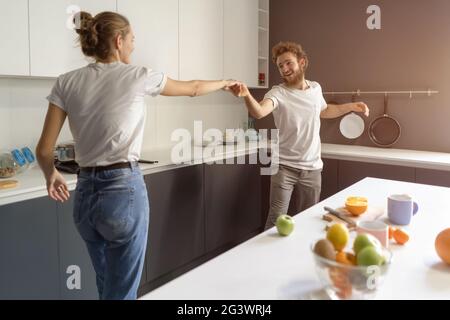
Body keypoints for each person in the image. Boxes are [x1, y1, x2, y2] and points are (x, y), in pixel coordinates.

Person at [35, 11, 239, 300]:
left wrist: (50, 174)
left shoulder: (66, 82)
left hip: (85, 198)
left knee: (106, 283)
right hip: (122, 192)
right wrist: (225, 81)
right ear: (119, 41)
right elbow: (192, 88)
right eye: (132, 40)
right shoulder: (139, 75)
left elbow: (44, 150)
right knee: (122, 292)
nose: (133, 46)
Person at [231, 41, 369, 230]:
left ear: (302, 63)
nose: (284, 69)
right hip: (283, 168)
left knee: (308, 220)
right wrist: (247, 95)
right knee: (275, 221)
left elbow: (325, 110)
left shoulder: (315, 89)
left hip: (312, 169)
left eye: (288, 63)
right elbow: (259, 112)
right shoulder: (278, 93)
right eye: (280, 66)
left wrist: (352, 107)